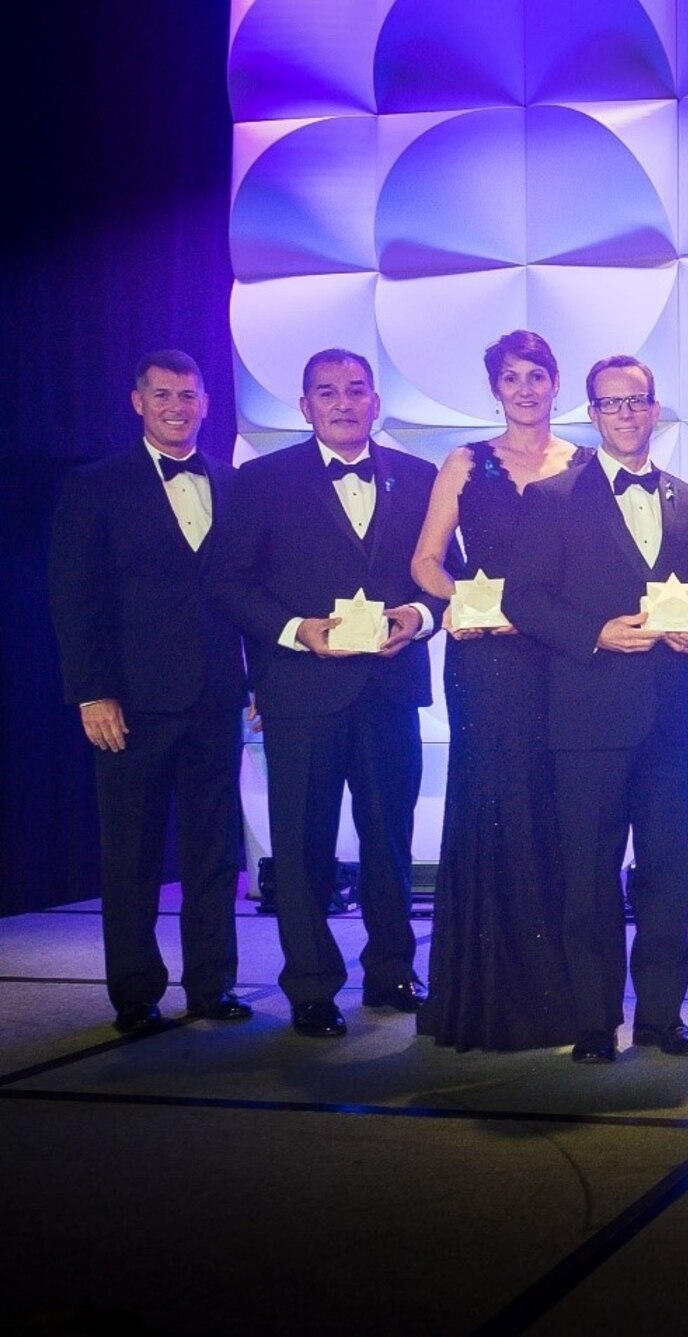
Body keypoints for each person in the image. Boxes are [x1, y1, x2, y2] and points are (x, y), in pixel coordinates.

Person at [207, 349, 444, 1038]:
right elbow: (228, 582)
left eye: (356, 390)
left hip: (389, 689)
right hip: (302, 692)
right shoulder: (260, 480)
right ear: (304, 406)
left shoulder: (419, 476)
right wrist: (294, 629)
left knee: (390, 843)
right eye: (326, 392)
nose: (343, 402)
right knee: (303, 846)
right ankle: (311, 984)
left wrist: (419, 618)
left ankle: (393, 970)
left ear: (376, 402)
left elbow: (446, 574)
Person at [506, 354, 688, 1066]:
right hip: (588, 721)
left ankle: (661, 1016)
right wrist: (594, 633)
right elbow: (522, 599)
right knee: (589, 878)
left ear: (656, 410)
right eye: (611, 404)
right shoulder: (552, 497)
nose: (626, 414)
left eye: (638, 402)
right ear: (591, 415)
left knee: (667, 875)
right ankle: (595, 1019)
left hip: (671, 718)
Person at [48, 350, 250, 1033]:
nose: (176, 405)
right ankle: (134, 991)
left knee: (215, 851)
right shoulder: (95, 485)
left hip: (218, 695)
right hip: (130, 701)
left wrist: (255, 678)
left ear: (205, 402)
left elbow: (244, 591)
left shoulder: (230, 482)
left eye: (187, 394)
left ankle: (213, 984)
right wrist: (92, 692)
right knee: (131, 853)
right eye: (162, 394)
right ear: (138, 401)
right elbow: (76, 599)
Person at [408, 330, 585, 1051]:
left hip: (559, 661)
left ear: (554, 382)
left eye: (536, 374)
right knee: (490, 805)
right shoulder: (463, 462)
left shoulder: (585, 464)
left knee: (556, 807)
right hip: (482, 662)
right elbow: (423, 560)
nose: (524, 387)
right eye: (511, 376)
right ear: (495, 387)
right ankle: (482, 991)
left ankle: (561, 992)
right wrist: (462, 601)